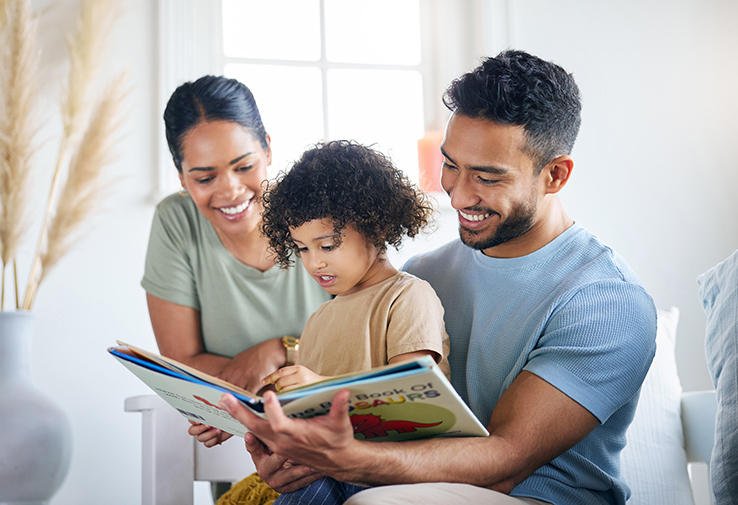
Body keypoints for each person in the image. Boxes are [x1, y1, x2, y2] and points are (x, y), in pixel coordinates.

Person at [217, 50, 658, 505]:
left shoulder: (606, 302)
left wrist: (347, 460)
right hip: (408, 483)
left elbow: (506, 462)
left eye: (487, 176)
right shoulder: (423, 274)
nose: (460, 194)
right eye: (451, 165)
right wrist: (290, 450)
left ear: (555, 175)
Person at [217, 140, 451, 505]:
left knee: (313, 489)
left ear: (375, 227)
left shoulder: (407, 297)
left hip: (391, 471)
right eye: (302, 248)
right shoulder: (319, 320)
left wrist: (320, 386)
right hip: (328, 467)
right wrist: (252, 415)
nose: (313, 264)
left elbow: (412, 399)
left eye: (327, 246)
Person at [141, 76, 332, 497]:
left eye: (244, 166)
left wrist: (278, 350)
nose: (230, 190)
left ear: (267, 147)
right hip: (242, 459)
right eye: (204, 177)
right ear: (180, 175)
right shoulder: (177, 223)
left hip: (334, 448)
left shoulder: (321, 212)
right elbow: (184, 368)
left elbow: (367, 348)